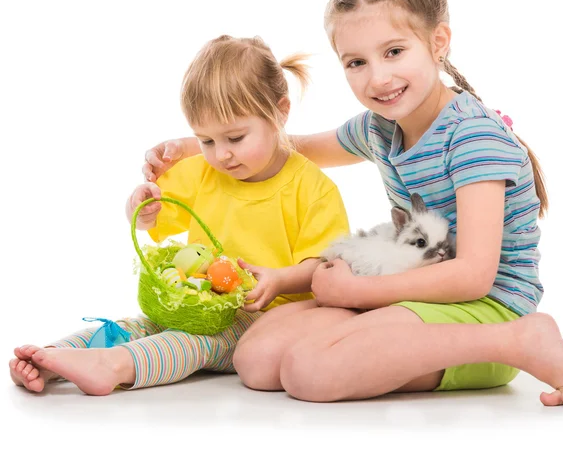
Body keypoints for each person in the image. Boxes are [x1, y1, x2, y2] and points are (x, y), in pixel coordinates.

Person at [139, 0, 563, 408]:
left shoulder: (473, 139)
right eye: (356, 62)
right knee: (255, 359)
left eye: (394, 52)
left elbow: (473, 275)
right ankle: (383, 339)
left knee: (309, 372)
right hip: (412, 291)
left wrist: (357, 294)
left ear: (438, 42)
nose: (378, 78)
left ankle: (515, 342)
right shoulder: (380, 127)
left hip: (485, 308)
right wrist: (194, 146)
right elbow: (291, 146)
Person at [8, 35, 349, 395]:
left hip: (261, 317)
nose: (221, 156)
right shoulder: (202, 171)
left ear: (280, 112)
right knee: (140, 325)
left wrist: (278, 280)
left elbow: (323, 266)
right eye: (206, 141)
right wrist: (141, 209)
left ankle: (114, 366)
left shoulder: (312, 188)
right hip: (196, 303)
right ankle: (53, 357)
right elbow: (152, 220)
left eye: (235, 138)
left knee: (195, 342)